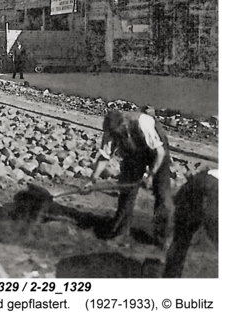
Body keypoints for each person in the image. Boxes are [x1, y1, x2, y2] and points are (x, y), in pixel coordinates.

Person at [83, 109, 173, 248]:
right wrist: (92, 180)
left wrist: (151, 175)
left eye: (118, 133)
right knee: (127, 192)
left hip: (156, 149)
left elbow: (160, 153)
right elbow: (104, 157)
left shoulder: (142, 123)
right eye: (114, 135)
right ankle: (120, 232)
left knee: (162, 194)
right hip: (134, 154)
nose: (116, 137)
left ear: (123, 124)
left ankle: (163, 237)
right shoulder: (111, 132)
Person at [162, 169, 218, 278]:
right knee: (180, 245)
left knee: (179, 244)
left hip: (186, 208)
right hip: (192, 209)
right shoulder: (214, 185)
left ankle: (170, 275)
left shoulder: (206, 176)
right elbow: (212, 215)